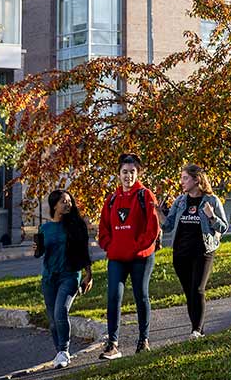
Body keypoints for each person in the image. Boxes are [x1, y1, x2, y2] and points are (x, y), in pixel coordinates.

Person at [97, 153, 160, 359]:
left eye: (132, 172)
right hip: (117, 257)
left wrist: (137, 247)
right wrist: (109, 245)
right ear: (118, 174)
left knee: (141, 295)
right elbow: (104, 228)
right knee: (114, 296)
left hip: (140, 257)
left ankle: (144, 340)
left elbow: (153, 228)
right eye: (124, 172)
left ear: (138, 173)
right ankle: (113, 344)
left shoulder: (145, 195)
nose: (128, 176)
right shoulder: (112, 199)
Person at [160, 164, 228, 339]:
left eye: (185, 178)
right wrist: (157, 211)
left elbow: (224, 227)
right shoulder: (180, 201)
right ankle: (198, 329)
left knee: (198, 289)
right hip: (181, 253)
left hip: (203, 251)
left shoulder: (211, 200)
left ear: (196, 179)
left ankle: (196, 331)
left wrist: (211, 216)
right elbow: (167, 226)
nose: (181, 182)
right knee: (189, 292)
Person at [34, 190, 94, 369]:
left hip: (70, 276)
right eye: (63, 202)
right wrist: (37, 248)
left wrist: (88, 274)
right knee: (52, 321)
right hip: (49, 278)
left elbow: (84, 251)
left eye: (69, 201)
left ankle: (64, 350)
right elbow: (41, 253)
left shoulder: (76, 225)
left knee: (61, 312)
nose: (68, 204)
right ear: (54, 206)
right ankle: (59, 353)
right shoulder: (44, 228)